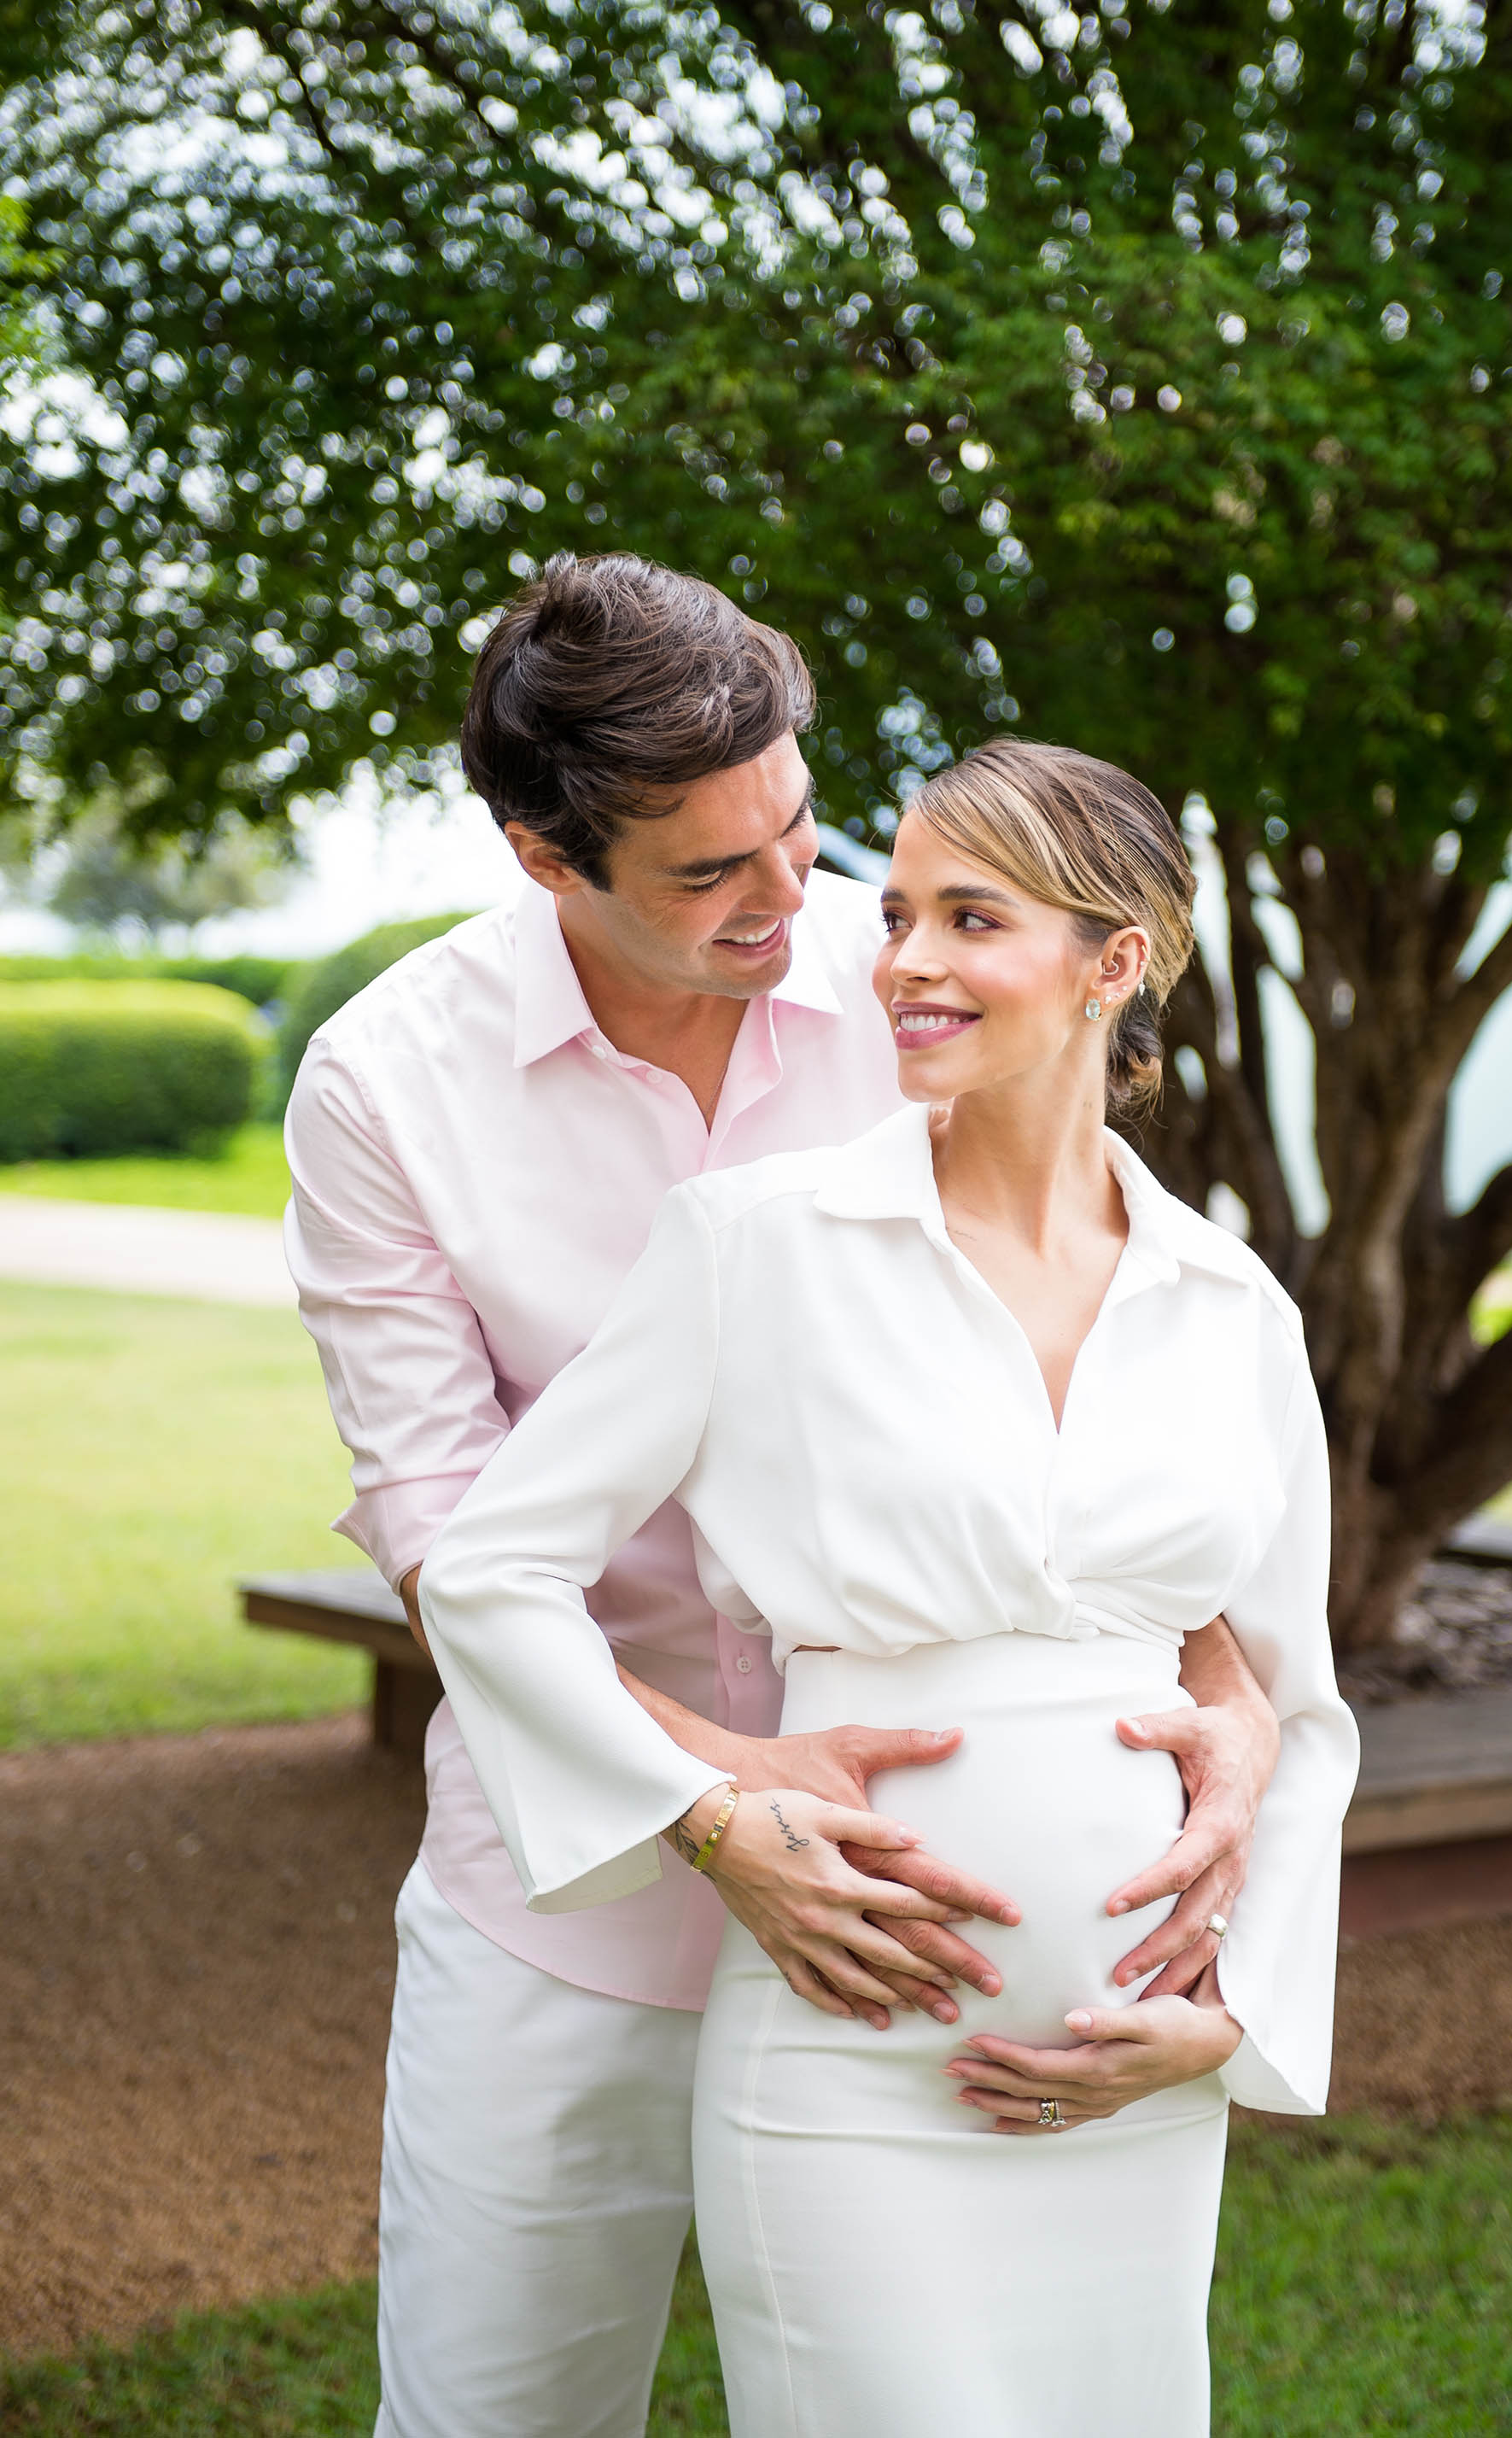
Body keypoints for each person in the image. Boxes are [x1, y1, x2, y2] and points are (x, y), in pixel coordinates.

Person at [287, 558, 1285, 2438]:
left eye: (799, 828)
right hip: (563, 1900)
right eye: (705, 874)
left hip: (950, 1955)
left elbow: (1109, 1399)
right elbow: (447, 1533)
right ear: (540, 857)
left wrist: (1229, 1709)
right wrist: (712, 1807)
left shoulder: (918, 978)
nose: (792, 908)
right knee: (498, 2409)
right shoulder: (384, 1087)